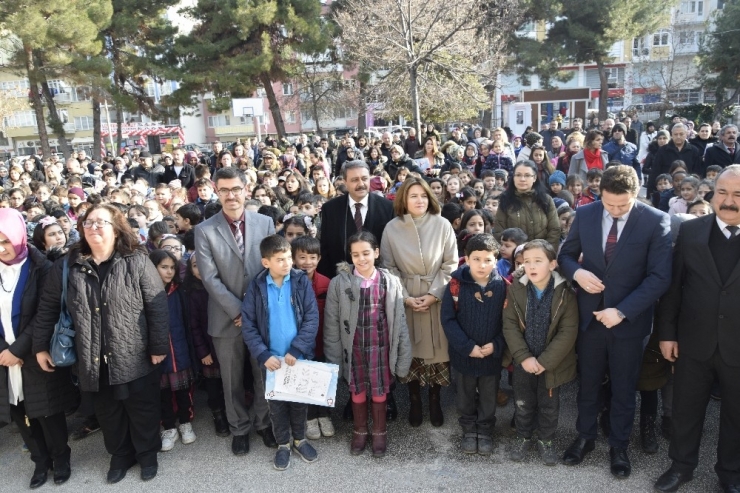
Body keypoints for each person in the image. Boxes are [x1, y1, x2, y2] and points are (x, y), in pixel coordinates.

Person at [34, 203, 169, 484]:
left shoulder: (136, 260)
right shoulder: (67, 265)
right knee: (108, 411)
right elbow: (47, 308)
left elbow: (157, 306)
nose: (93, 227)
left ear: (116, 229)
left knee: (141, 406)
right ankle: (120, 455)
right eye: (88, 222)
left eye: (101, 222)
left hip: (134, 351)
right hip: (91, 355)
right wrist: (39, 346)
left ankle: (147, 454)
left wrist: (158, 347)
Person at [558, 165, 672, 479]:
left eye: (623, 205)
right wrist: (578, 273)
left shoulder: (655, 220)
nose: (616, 210)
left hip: (629, 322)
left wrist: (621, 311)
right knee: (589, 382)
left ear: (637, 195)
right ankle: (585, 437)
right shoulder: (586, 214)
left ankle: (619, 446)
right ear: (601, 195)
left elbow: (660, 277)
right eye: (610, 205)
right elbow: (565, 256)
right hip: (591, 318)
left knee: (624, 387)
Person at [655, 164, 740, 493]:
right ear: (711, 192)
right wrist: (666, 333)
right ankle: (681, 467)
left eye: (737, 195)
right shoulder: (690, 232)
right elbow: (674, 288)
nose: (729, 201)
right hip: (693, 340)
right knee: (686, 410)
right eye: (722, 192)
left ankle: (731, 473)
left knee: (736, 415)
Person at [194, 167, 277, 456]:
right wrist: (238, 311)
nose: (231, 195)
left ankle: (264, 424)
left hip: (261, 316)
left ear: (246, 189)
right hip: (225, 318)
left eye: (236, 189)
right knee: (230, 380)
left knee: (262, 374)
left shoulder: (265, 223)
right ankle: (239, 428)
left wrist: (254, 311)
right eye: (225, 190)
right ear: (217, 192)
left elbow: (272, 268)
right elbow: (209, 278)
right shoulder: (204, 230)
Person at [0, 209, 75, 488]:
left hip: (33, 351)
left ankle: (61, 459)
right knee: (19, 412)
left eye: (6, 240)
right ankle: (40, 462)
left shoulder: (40, 268)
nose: (2, 248)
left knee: (46, 411)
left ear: (18, 236)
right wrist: (5, 353)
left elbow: (44, 313)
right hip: (4, 358)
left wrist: (18, 350)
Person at [324, 231, 412, 457]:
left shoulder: (390, 281)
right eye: (355, 255)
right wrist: (334, 359)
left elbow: (400, 321)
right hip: (352, 348)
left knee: (380, 390)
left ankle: (380, 431)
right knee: (357, 389)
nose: (361, 259)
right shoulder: (338, 283)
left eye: (366, 253)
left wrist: (404, 356)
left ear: (376, 252)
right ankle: (360, 430)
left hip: (380, 346)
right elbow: (332, 324)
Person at [380, 177, 457, 427]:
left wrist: (435, 294)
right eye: (413, 195)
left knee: (438, 349)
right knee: (409, 348)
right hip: (406, 294)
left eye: (423, 195)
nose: (419, 200)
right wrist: (405, 297)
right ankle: (414, 398)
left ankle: (434, 398)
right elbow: (388, 267)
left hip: (436, 294)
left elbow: (450, 264)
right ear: (404, 199)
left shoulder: (443, 224)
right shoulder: (392, 228)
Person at [241, 234, 319, 471]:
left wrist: (298, 348)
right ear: (266, 263)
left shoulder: (299, 281)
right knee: (276, 406)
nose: (287, 264)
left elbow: (311, 317)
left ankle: (300, 439)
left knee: (298, 403)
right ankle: (283, 444)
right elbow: (249, 325)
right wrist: (263, 355)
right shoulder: (256, 287)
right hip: (271, 361)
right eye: (280, 259)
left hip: (297, 358)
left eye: (288, 258)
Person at [504, 239, 578, 466]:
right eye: (527, 262)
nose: (532, 266)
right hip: (523, 361)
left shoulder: (566, 293)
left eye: (538, 261)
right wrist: (524, 357)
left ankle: (546, 440)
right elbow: (510, 326)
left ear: (553, 264)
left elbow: (568, 331)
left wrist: (545, 361)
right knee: (523, 401)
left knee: (548, 404)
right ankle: (523, 435)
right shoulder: (516, 288)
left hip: (551, 363)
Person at [441, 233, 506, 457]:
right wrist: (467, 347)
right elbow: (448, 320)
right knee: (465, 394)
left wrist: (496, 345)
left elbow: (509, 323)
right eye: (476, 259)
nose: (482, 264)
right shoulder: (455, 285)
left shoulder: (503, 287)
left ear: (496, 260)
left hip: (491, 356)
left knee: (489, 394)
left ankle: (486, 430)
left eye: (488, 259)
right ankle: (469, 429)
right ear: (466, 259)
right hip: (464, 355)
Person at [149, 250, 197, 452]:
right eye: (163, 267)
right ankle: (169, 427)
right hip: (158, 354)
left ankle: (185, 423)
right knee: (163, 394)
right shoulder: (147, 292)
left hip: (180, 350)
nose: (169, 272)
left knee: (183, 390)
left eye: (172, 267)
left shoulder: (180, 291)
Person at [317, 160, 394, 279]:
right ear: (345, 182)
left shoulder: (388, 207)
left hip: (379, 281)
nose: (361, 184)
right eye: (354, 180)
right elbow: (326, 248)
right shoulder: (330, 209)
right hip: (342, 281)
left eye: (364, 178)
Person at [291, 236, 334, 440]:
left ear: (319, 259)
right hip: (299, 342)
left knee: (321, 377)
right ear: (293, 259)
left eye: (312, 257)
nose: (307, 262)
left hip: (321, 339)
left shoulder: (326, 283)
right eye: (302, 257)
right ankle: (308, 417)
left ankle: (324, 414)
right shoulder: (288, 283)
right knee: (303, 379)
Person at [186, 252, 229, 437]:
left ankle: (232, 413)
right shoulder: (193, 294)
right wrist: (203, 351)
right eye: (196, 265)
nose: (201, 269)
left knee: (229, 383)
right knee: (213, 387)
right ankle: (218, 415)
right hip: (208, 348)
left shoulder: (223, 288)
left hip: (226, 345)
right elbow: (193, 326)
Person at [493, 160, 561, 253]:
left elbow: (554, 229)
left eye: (527, 175)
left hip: (542, 255)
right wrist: (514, 253)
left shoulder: (546, 200)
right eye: (518, 175)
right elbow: (498, 231)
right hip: (514, 257)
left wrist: (547, 253)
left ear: (535, 178)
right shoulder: (506, 200)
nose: (522, 179)